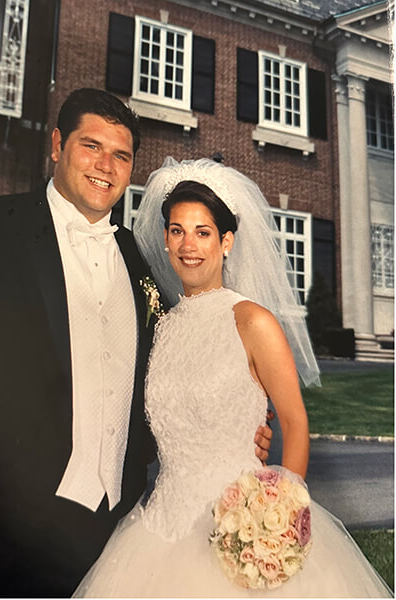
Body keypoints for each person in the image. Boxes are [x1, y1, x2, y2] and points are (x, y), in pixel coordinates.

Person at [0, 91, 272, 597]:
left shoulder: (139, 260)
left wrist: (235, 425)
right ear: (57, 145)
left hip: (108, 538)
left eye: (121, 155)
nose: (106, 166)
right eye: (91, 146)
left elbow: (172, 372)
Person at [73, 157, 391, 598]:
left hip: (238, 529)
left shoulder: (252, 321)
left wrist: (277, 517)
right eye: (178, 230)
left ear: (226, 242)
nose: (189, 245)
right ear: (165, 239)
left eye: (203, 232)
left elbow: (295, 422)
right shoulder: (162, 326)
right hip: (157, 526)